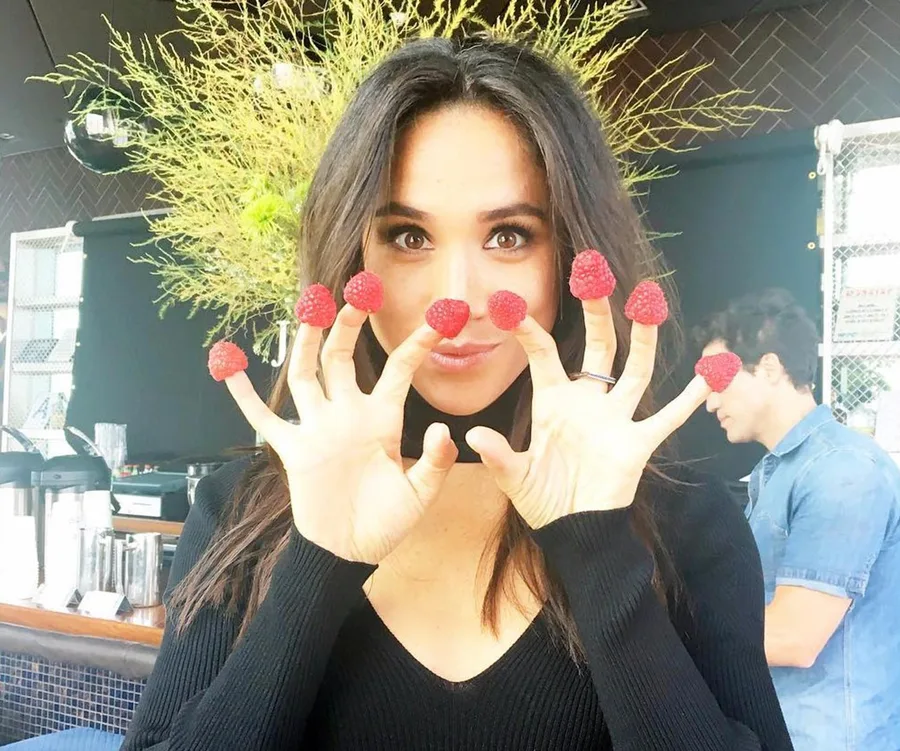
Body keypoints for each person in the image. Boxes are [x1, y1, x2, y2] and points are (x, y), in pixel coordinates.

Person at [123, 37, 792, 750]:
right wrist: (316, 563)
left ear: (569, 252)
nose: (457, 298)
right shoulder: (241, 514)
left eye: (508, 235)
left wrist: (597, 545)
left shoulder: (689, 526)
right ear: (351, 252)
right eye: (409, 236)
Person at [697, 288, 900, 751]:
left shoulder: (843, 470)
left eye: (718, 380)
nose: (709, 403)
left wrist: (661, 630)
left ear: (769, 367)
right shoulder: (776, 472)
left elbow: (793, 636)